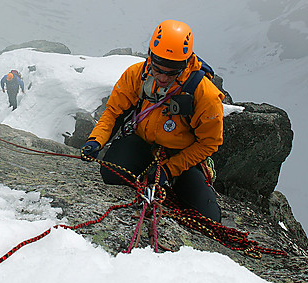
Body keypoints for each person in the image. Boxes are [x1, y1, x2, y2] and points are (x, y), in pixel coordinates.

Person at [80, 20, 223, 222]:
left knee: (208, 219)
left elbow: (209, 142)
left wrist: (168, 169)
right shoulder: (137, 75)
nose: (163, 78)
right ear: (150, 57)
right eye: (158, 69)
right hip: (143, 143)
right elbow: (113, 112)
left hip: (181, 154)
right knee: (111, 174)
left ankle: (174, 182)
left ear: (185, 64)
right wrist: (96, 140)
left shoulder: (204, 94)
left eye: (172, 72)